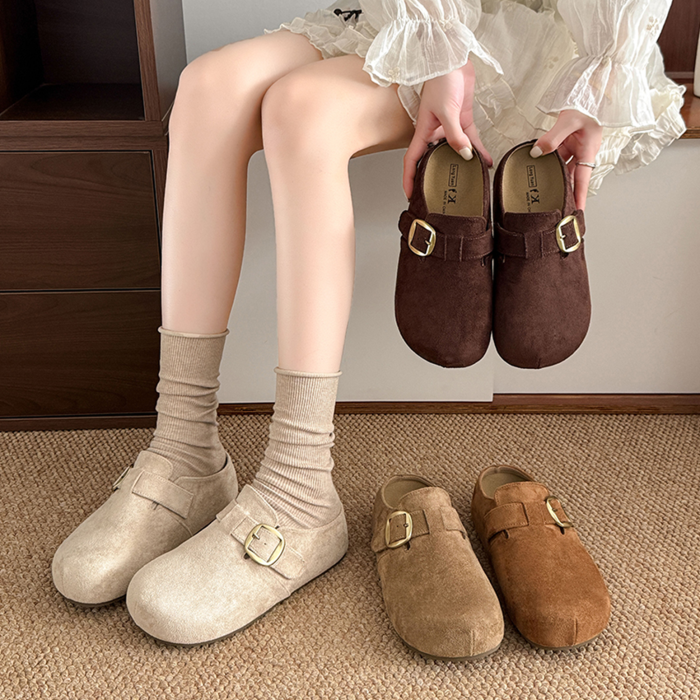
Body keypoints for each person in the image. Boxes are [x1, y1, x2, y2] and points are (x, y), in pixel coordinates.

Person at [52, 0, 684, 643]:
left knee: (303, 110)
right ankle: (184, 450)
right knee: (206, 87)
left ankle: (299, 488)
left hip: (540, 36)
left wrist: (601, 75)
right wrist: (436, 46)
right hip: (417, 15)